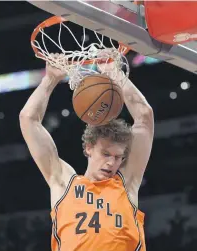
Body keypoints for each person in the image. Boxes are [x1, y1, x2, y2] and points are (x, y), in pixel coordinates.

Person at [19, 53, 154, 251]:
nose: (112, 163)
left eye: (118, 157)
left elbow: (144, 116)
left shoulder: (126, 183)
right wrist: (50, 80)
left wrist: (114, 74)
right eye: (106, 154)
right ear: (88, 148)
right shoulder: (64, 183)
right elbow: (28, 119)